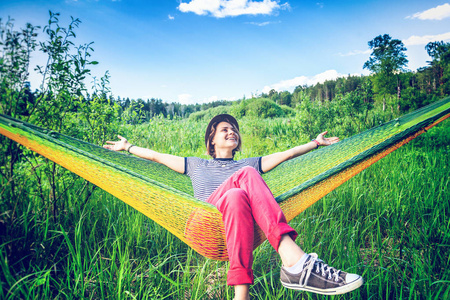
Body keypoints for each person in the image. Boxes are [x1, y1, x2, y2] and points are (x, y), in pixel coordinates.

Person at [104, 114, 363, 299]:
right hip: (204, 227)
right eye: (225, 129)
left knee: (238, 194)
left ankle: (242, 296)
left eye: (234, 130)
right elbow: (156, 156)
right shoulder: (196, 164)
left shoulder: (250, 162)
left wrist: (315, 143)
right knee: (247, 176)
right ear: (212, 140)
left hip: (237, 227)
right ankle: (295, 263)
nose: (232, 132)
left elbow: (288, 154)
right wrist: (128, 147)